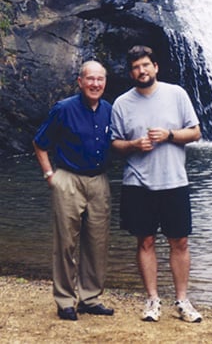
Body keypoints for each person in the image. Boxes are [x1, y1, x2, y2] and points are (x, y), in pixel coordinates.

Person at [110, 45, 202, 323]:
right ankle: (152, 300)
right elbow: (115, 144)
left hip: (174, 180)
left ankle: (182, 301)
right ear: (131, 73)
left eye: (146, 65)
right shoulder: (121, 104)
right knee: (146, 240)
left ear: (155, 67)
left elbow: (195, 132)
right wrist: (134, 144)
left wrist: (170, 134)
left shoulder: (177, 94)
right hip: (138, 183)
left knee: (180, 241)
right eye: (137, 67)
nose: (142, 70)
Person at [33, 60, 114, 321]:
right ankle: (65, 300)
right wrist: (50, 176)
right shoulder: (63, 109)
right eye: (90, 79)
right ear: (80, 81)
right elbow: (40, 143)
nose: (95, 84)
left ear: (105, 82)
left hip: (99, 181)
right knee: (66, 243)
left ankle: (89, 298)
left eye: (99, 79)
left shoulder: (109, 110)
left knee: (97, 243)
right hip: (68, 179)